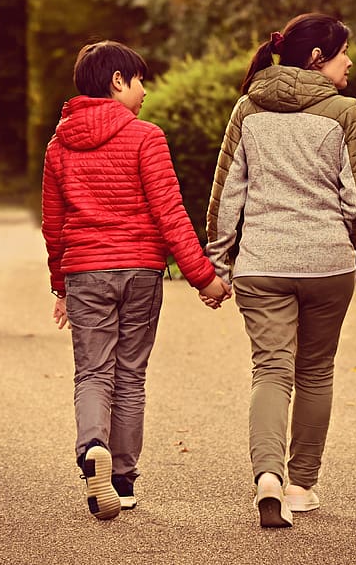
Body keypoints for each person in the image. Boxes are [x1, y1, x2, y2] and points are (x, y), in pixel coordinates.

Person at [42, 40, 231, 521]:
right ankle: (122, 481)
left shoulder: (59, 145)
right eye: (140, 79)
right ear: (117, 82)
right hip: (141, 272)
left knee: (92, 372)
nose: (146, 90)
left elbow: (53, 224)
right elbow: (170, 214)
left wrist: (60, 285)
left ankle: (92, 453)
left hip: (85, 270)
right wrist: (204, 278)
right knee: (129, 375)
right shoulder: (146, 137)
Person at [204, 13, 356, 528]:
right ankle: (302, 486)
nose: (352, 60)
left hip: (261, 265)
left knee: (271, 370)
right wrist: (341, 237)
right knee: (315, 371)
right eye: (345, 51)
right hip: (327, 265)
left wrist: (218, 262)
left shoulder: (247, 109)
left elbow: (226, 193)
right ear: (318, 58)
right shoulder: (345, 112)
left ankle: (267, 479)